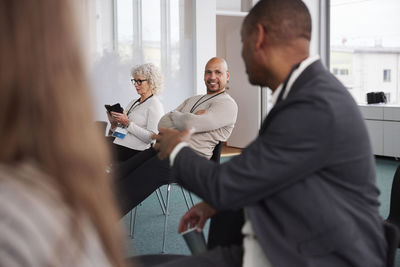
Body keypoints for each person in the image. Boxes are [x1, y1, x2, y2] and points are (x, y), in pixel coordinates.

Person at [150, 0, 387, 266]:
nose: (242, 56)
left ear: (259, 38)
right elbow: (266, 167)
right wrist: (212, 204)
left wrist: (176, 150)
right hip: (288, 237)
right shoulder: (306, 93)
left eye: (242, 43)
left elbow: (223, 186)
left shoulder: (313, 104)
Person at [0, 0, 128, 266]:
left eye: (142, 82)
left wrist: (128, 126)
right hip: (122, 142)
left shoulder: (24, 217)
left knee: (125, 164)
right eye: (135, 81)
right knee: (108, 155)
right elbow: (126, 131)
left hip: (137, 146)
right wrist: (117, 124)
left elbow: (148, 134)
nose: (137, 86)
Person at [115, 57, 238, 216]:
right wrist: (188, 117)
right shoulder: (194, 99)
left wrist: (181, 117)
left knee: (131, 186)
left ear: (227, 75)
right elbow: (162, 123)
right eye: (208, 72)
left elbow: (188, 125)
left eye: (218, 72)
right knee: (120, 173)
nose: (212, 77)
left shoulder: (227, 104)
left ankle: (100, 225)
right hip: (165, 148)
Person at [107, 63, 164, 162]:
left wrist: (128, 124)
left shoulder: (155, 104)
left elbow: (151, 138)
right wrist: (114, 124)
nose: (135, 84)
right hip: (120, 148)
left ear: (151, 82)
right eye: (134, 81)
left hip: (135, 153)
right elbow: (121, 135)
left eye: (139, 81)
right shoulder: (133, 103)